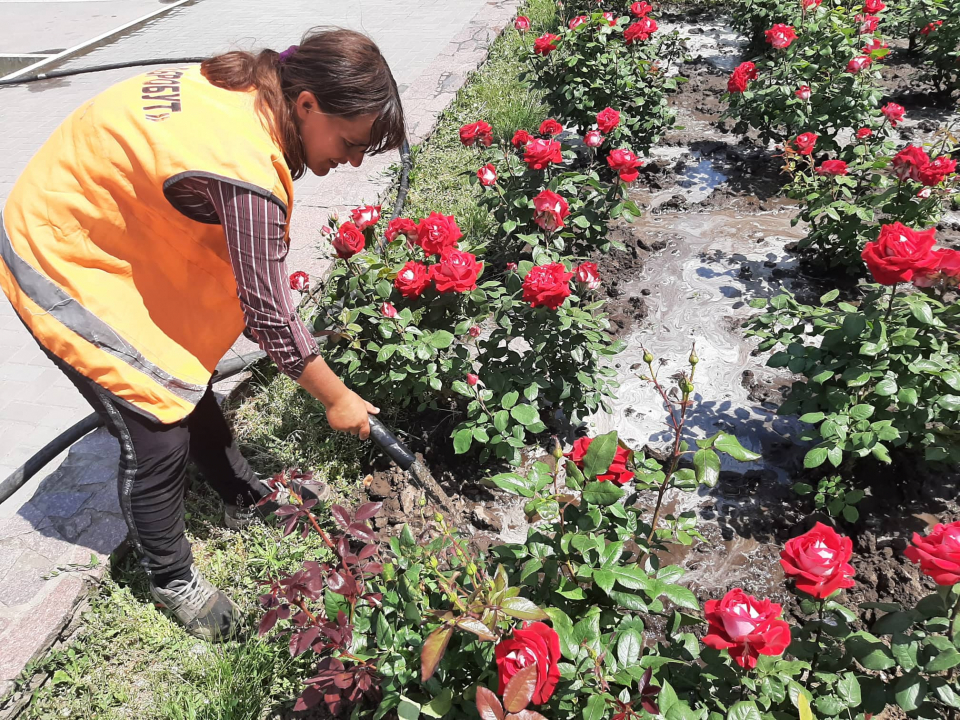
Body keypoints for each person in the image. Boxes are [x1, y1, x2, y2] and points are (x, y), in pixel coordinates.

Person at [0, 28, 405, 641]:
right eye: (350, 144)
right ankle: (171, 577)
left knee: (182, 384)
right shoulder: (245, 168)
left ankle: (242, 494)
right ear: (307, 105)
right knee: (155, 429)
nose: (349, 162)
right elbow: (270, 313)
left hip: (106, 226)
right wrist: (338, 398)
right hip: (57, 252)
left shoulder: (254, 90)